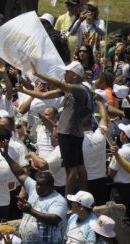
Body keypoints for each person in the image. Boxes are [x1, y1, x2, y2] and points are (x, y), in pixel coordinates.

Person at [27, 61, 90, 194]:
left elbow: (58, 83)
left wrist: (39, 74)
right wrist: (24, 90)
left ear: (74, 75)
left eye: (67, 72)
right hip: (72, 132)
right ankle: (82, 194)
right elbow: (44, 95)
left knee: (71, 169)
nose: (64, 74)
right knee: (78, 166)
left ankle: (69, 198)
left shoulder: (79, 88)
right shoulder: (69, 89)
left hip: (68, 132)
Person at [4, 146, 68, 244]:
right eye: (37, 184)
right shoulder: (34, 189)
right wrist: (6, 156)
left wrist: (30, 211)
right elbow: (20, 173)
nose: (38, 188)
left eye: (42, 186)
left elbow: (54, 219)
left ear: (51, 186)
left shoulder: (58, 200)